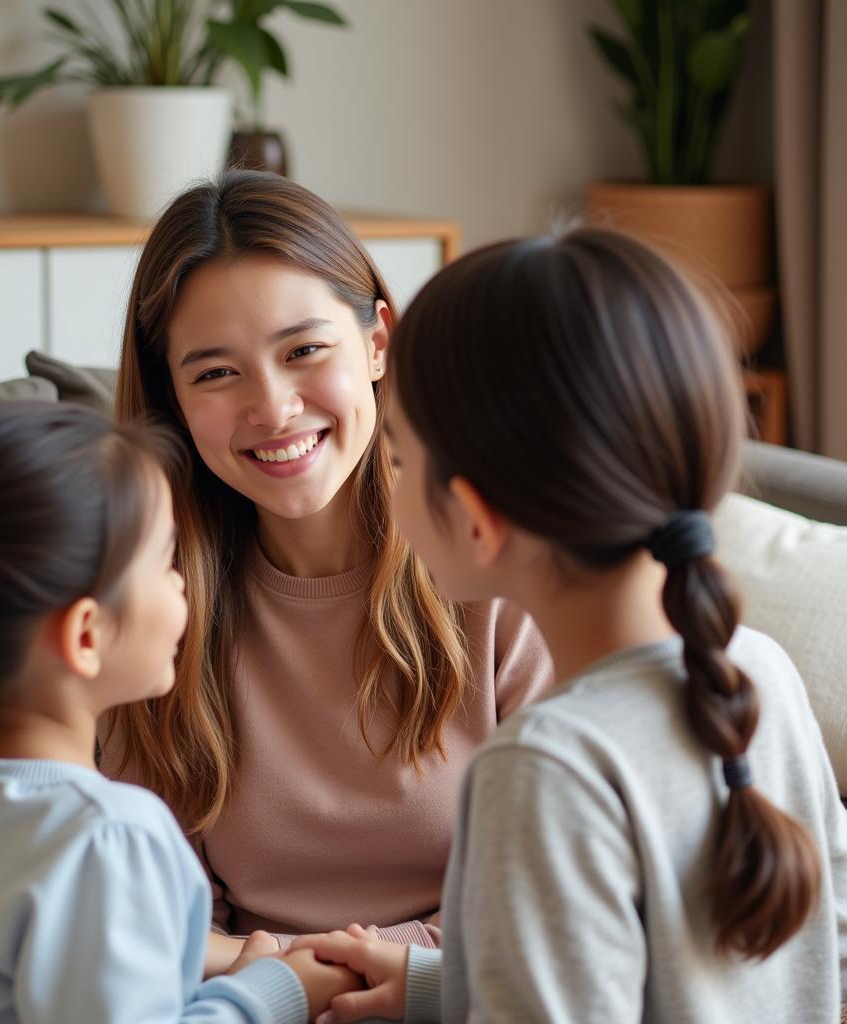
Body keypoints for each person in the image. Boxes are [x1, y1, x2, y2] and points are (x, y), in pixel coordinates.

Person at [289, 229, 847, 1023]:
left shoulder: (544, 768)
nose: (390, 481)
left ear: (477, 519)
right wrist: (437, 986)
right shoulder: (762, 675)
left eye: (402, 456)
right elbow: (790, 956)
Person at [102, 170, 553, 968]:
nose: (272, 408)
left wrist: (393, 968)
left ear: (378, 342)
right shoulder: (152, 606)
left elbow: (563, 901)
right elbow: (148, 915)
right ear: (171, 397)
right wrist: (280, 978)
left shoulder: (503, 569)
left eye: (304, 351)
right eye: (215, 372)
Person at [0, 401, 358, 1023]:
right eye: (165, 562)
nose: (184, 581)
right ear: (85, 635)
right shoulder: (108, 838)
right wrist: (271, 993)